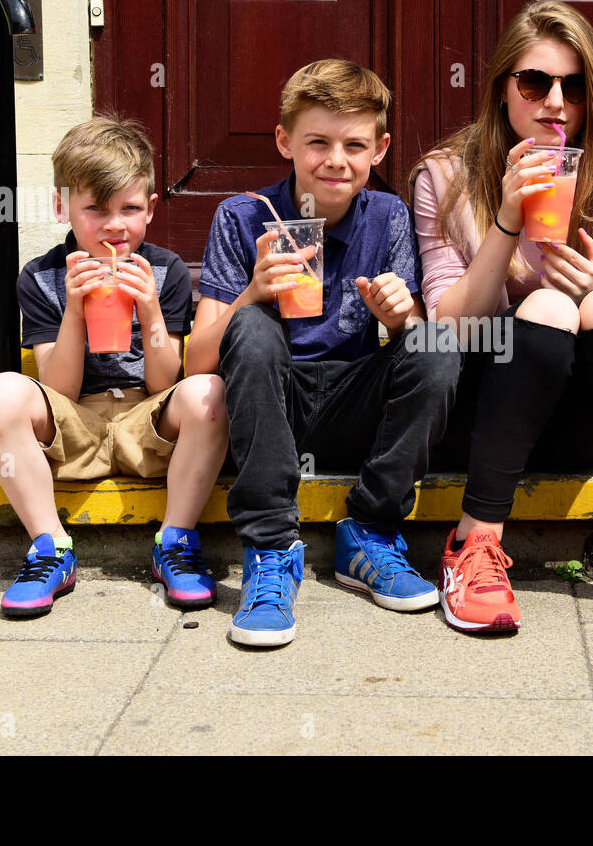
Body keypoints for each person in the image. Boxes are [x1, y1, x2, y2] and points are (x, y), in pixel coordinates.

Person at [411, 0, 593, 636]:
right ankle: (474, 540)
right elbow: (447, 327)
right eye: (535, 82)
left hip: (591, 427)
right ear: (502, 90)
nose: (554, 102)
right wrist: (506, 223)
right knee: (542, 305)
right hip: (484, 418)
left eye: (575, 87)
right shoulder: (446, 179)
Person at [186, 59, 460, 647]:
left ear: (380, 149)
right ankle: (270, 548)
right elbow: (196, 362)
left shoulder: (387, 216)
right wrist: (253, 293)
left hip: (352, 403)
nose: (336, 159)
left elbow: (411, 343)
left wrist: (402, 317)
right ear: (285, 141)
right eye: (318, 142)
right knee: (254, 328)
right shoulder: (242, 216)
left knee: (436, 341)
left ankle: (368, 530)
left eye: (355, 144)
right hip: (268, 405)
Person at [0, 115, 228, 617]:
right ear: (61, 206)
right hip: (76, 426)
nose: (115, 224)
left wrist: (151, 307)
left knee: (210, 391)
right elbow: (60, 388)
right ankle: (50, 549)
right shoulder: (44, 276)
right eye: (95, 208)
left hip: (147, 424)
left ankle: (175, 541)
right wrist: (75, 309)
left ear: (151, 209)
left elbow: (164, 381)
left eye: (129, 208)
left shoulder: (166, 270)